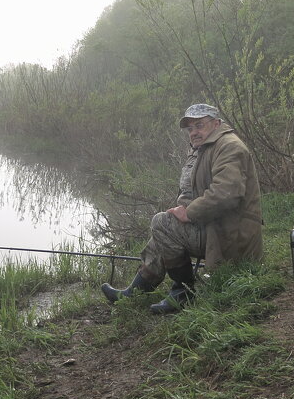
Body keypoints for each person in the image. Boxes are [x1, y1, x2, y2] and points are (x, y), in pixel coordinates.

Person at [102, 103, 263, 314]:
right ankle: (137, 290)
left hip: (233, 234)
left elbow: (227, 192)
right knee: (165, 228)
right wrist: (180, 211)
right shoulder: (204, 147)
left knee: (162, 223)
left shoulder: (229, 146)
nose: (194, 132)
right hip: (217, 226)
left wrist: (189, 213)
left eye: (199, 125)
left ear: (216, 124)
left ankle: (183, 291)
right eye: (190, 128)